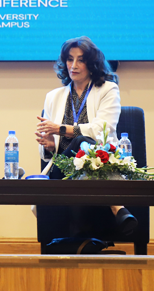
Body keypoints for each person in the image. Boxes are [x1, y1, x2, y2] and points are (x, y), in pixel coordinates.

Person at [35, 36, 137, 240]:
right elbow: (48, 154)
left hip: (96, 165)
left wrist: (61, 129)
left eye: (80, 60)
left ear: (92, 64)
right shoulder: (53, 96)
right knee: (82, 143)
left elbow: (102, 130)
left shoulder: (108, 89)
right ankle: (117, 206)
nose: (73, 65)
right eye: (69, 59)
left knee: (86, 149)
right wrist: (48, 145)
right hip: (61, 168)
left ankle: (82, 244)